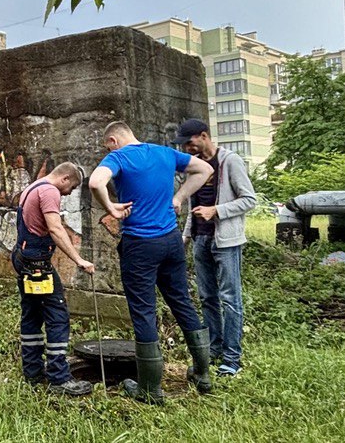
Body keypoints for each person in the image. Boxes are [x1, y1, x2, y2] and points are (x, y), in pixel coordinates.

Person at [88, 121, 214, 404]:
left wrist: (110, 207)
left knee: (144, 311)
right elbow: (205, 169)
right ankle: (203, 375)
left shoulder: (118, 157)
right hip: (170, 242)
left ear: (112, 140)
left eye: (106, 145)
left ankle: (150, 389)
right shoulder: (165, 153)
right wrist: (179, 196)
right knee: (182, 301)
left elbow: (96, 182)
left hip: (140, 245)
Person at [175, 118, 257, 377]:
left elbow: (249, 199)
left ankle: (232, 358)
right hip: (201, 239)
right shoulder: (195, 167)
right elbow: (194, 205)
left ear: (204, 136)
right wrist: (184, 238)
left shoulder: (229, 161)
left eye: (190, 142)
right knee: (207, 298)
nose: (187, 148)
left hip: (226, 241)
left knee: (230, 299)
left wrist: (217, 211)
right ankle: (214, 348)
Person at [14, 162, 95, 397]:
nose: (69, 193)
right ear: (65, 179)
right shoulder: (49, 191)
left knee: (31, 314)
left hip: (23, 259)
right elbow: (56, 229)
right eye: (72, 188)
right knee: (58, 316)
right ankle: (59, 378)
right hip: (37, 264)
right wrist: (79, 260)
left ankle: (32, 372)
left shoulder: (32, 187)